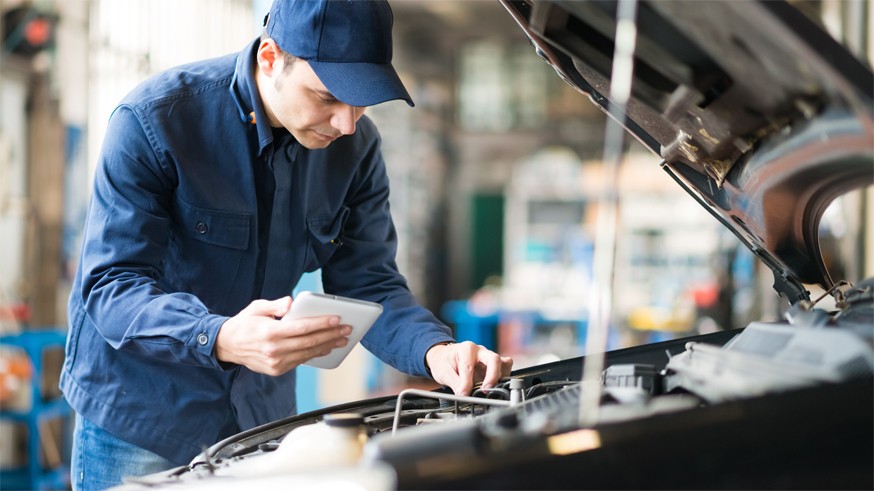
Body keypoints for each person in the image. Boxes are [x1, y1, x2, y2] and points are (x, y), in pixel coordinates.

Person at [60, 1, 513, 489]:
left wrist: (435, 352)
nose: (346, 123)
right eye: (327, 98)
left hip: (260, 417)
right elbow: (111, 286)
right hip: (143, 415)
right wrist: (219, 336)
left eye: (361, 102)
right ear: (271, 57)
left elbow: (370, 283)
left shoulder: (355, 149)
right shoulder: (155, 122)